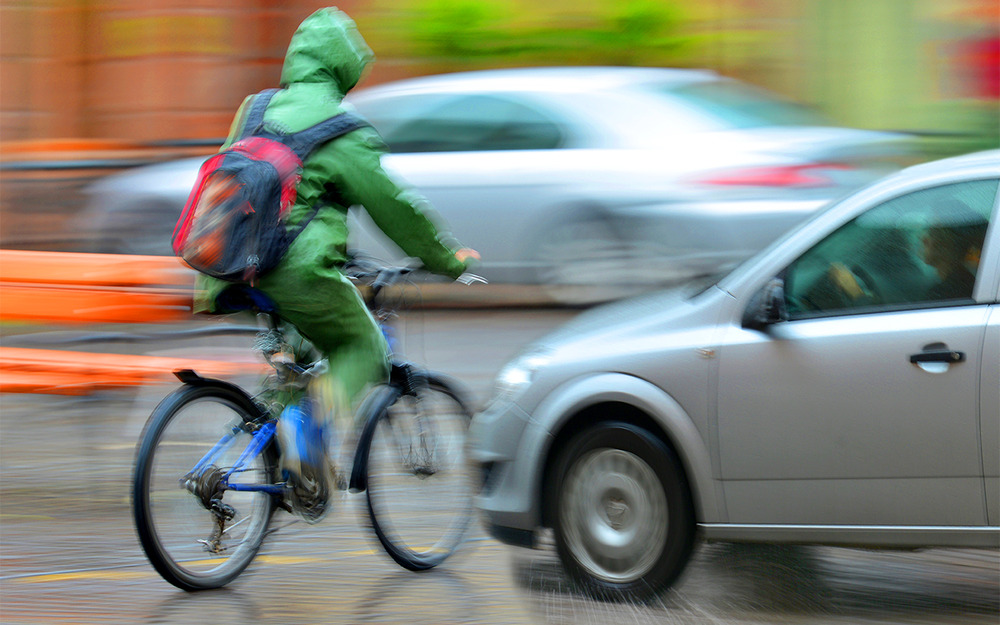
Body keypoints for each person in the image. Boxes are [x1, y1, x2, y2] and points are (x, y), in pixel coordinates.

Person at [193, 7, 479, 504]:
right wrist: (448, 259)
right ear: (345, 66)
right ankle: (307, 433)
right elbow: (395, 209)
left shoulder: (254, 109)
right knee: (363, 348)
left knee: (299, 349)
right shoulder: (343, 129)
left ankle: (290, 459)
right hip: (293, 272)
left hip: (226, 268)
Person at [919, 204, 988, 301]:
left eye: (931, 231)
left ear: (946, 244)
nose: (923, 239)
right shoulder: (968, 284)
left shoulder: (944, 295)